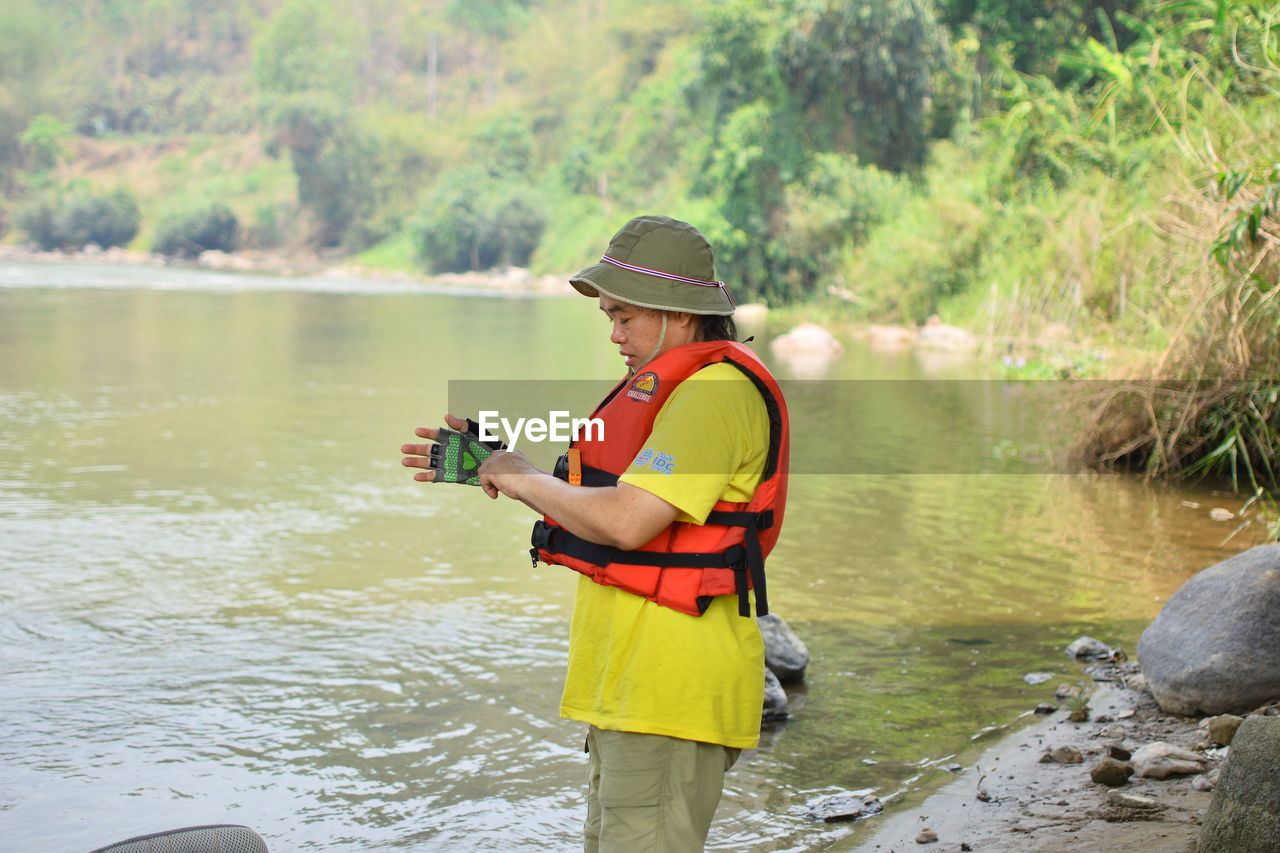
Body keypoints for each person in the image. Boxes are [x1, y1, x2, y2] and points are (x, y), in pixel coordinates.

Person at [401, 215, 789, 852]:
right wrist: (504, 467)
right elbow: (603, 504)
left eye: (625, 317)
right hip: (637, 693)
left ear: (679, 314)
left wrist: (520, 477)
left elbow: (628, 520)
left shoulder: (714, 394)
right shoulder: (679, 390)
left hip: (669, 692)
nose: (614, 334)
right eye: (609, 316)